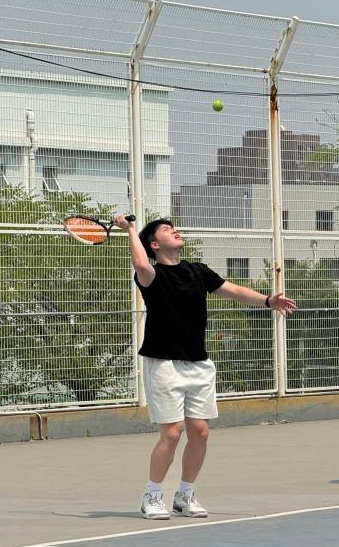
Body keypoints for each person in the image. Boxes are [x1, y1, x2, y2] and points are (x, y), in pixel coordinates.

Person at [113, 216, 297, 519]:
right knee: (172, 433)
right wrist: (131, 230)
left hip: (199, 364)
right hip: (164, 364)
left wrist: (268, 301)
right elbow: (141, 265)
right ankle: (152, 496)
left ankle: (184, 495)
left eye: (173, 227)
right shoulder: (152, 276)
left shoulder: (198, 271)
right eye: (165, 230)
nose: (174, 230)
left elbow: (233, 290)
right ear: (154, 245)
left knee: (200, 433)